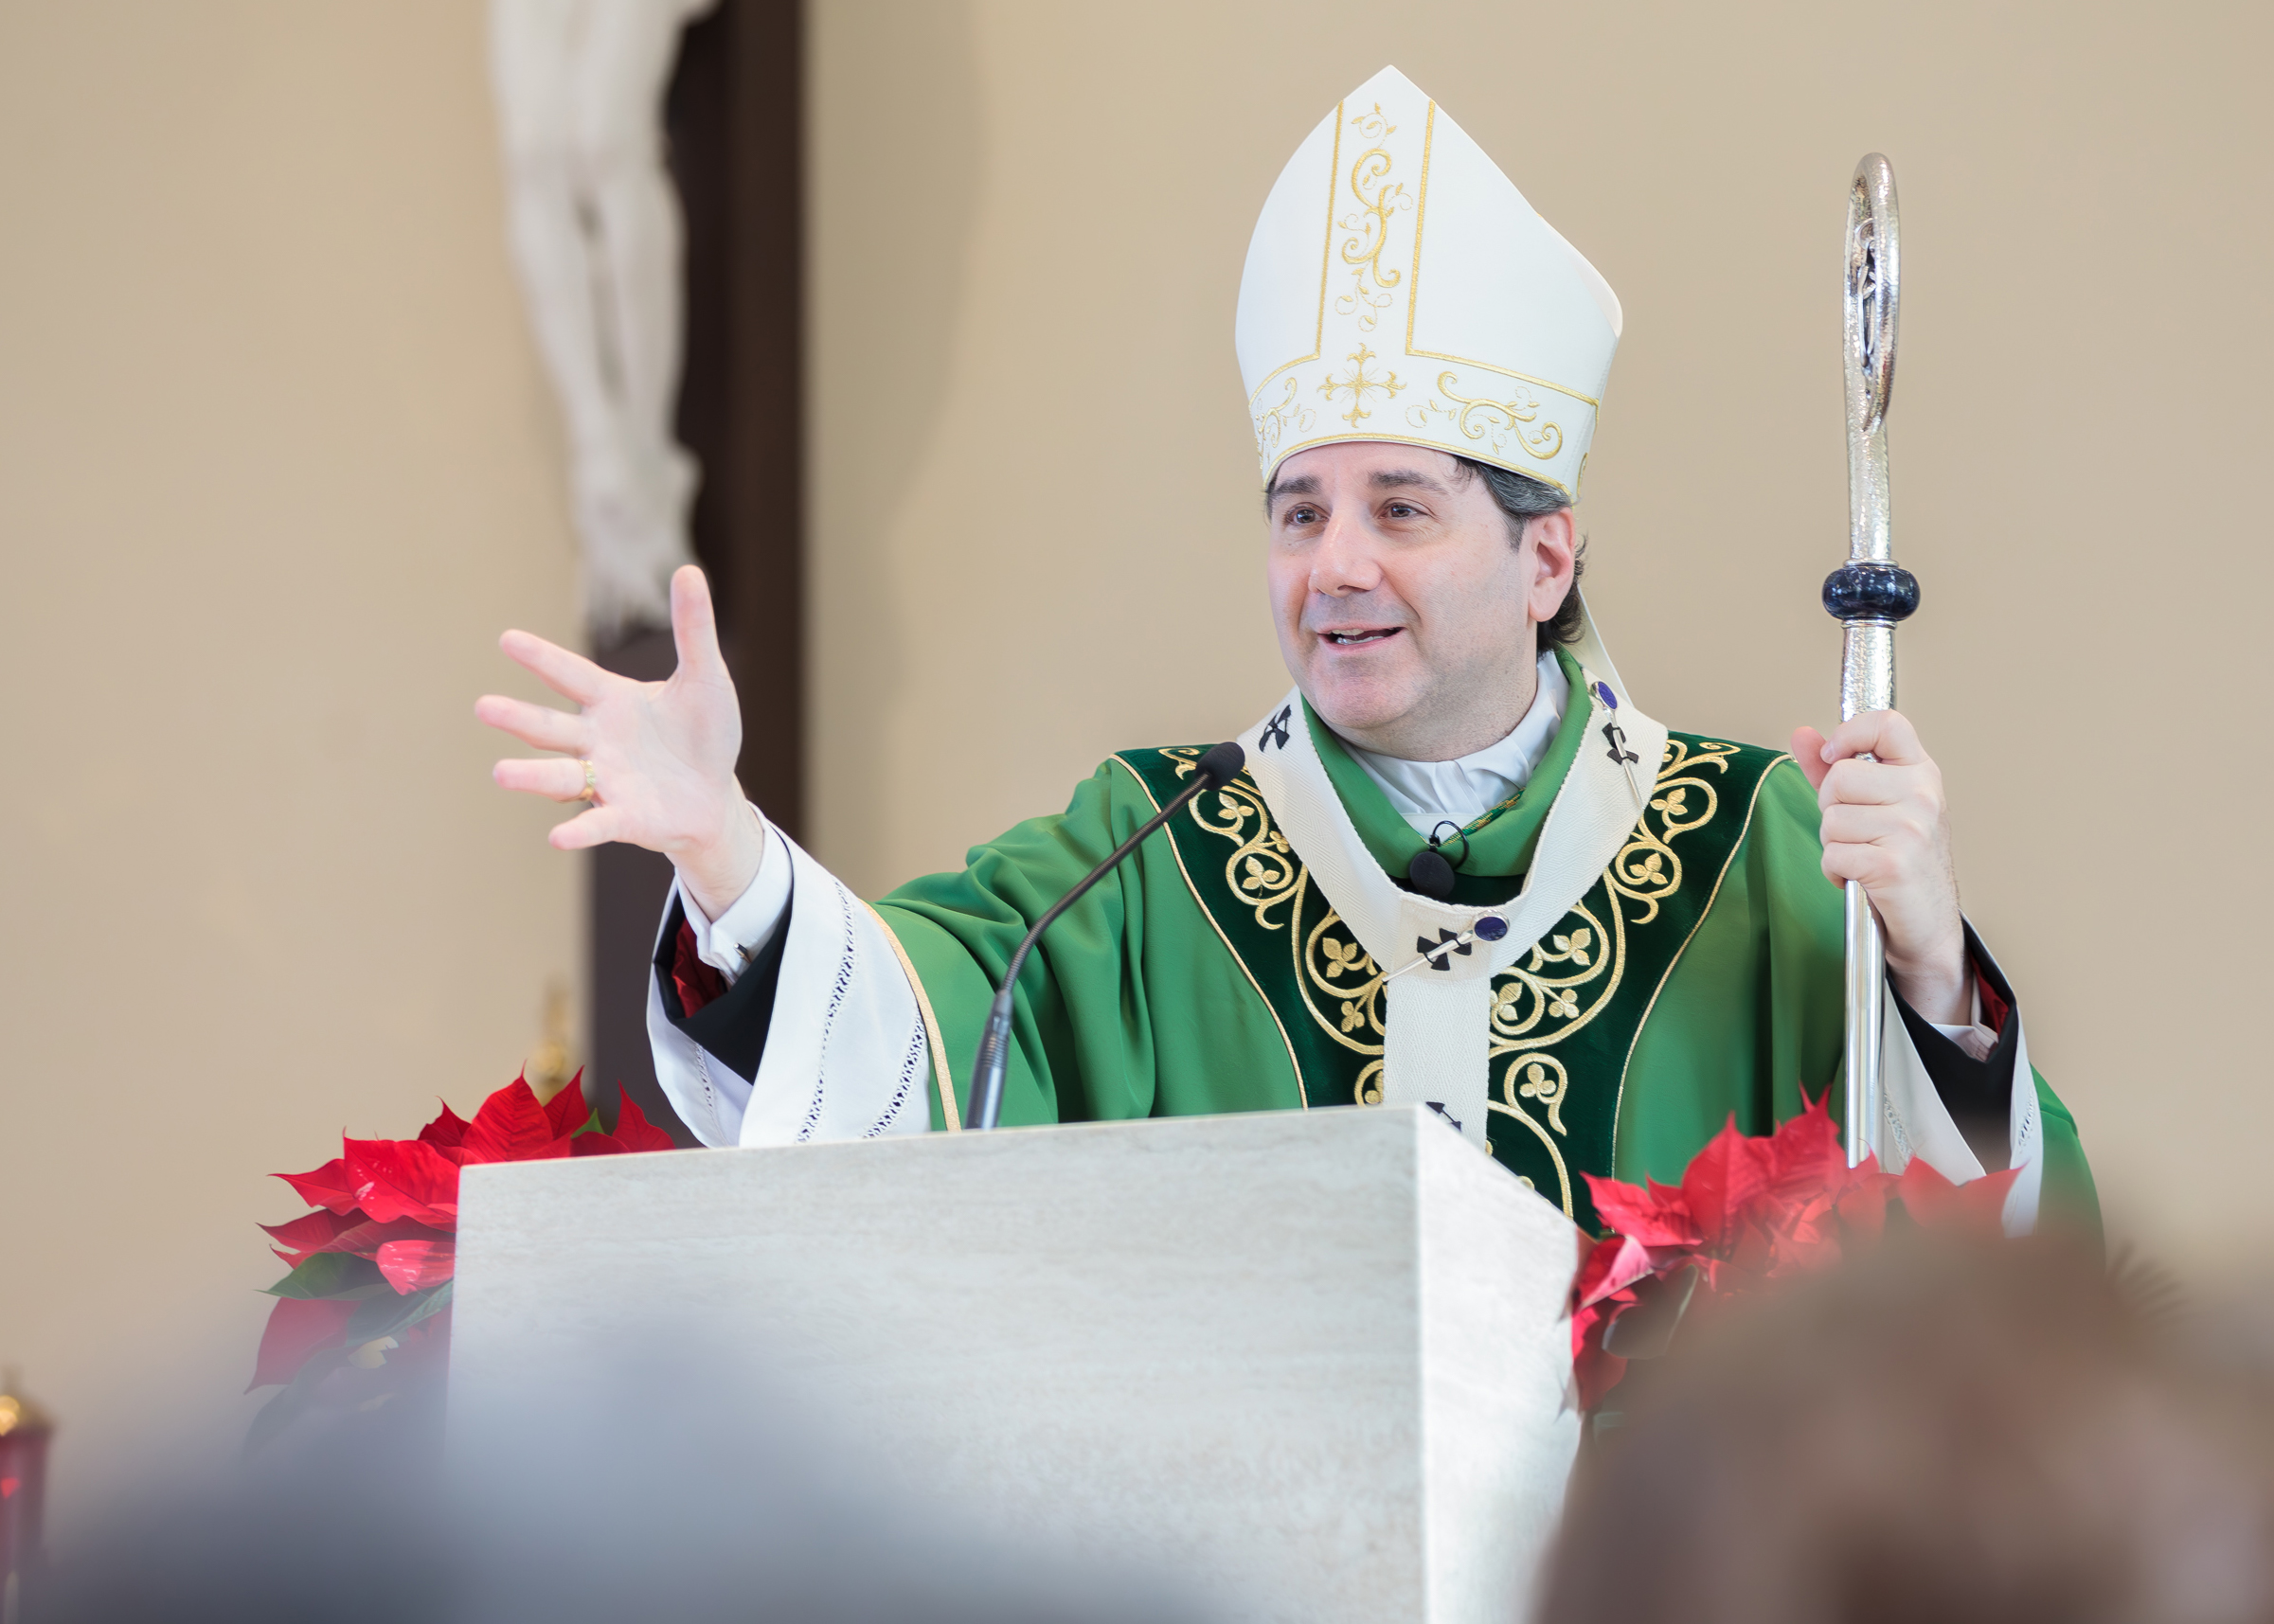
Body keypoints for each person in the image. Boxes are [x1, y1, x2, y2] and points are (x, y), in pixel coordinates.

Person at [477, 65, 2094, 1234]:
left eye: (1399, 508)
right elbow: (906, 1060)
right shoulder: (1141, 861)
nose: (1332, 565)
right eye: (1295, 510)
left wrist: (1929, 969)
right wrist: (727, 857)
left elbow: (1970, 1324)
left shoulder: (1764, 848)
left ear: (1546, 553)